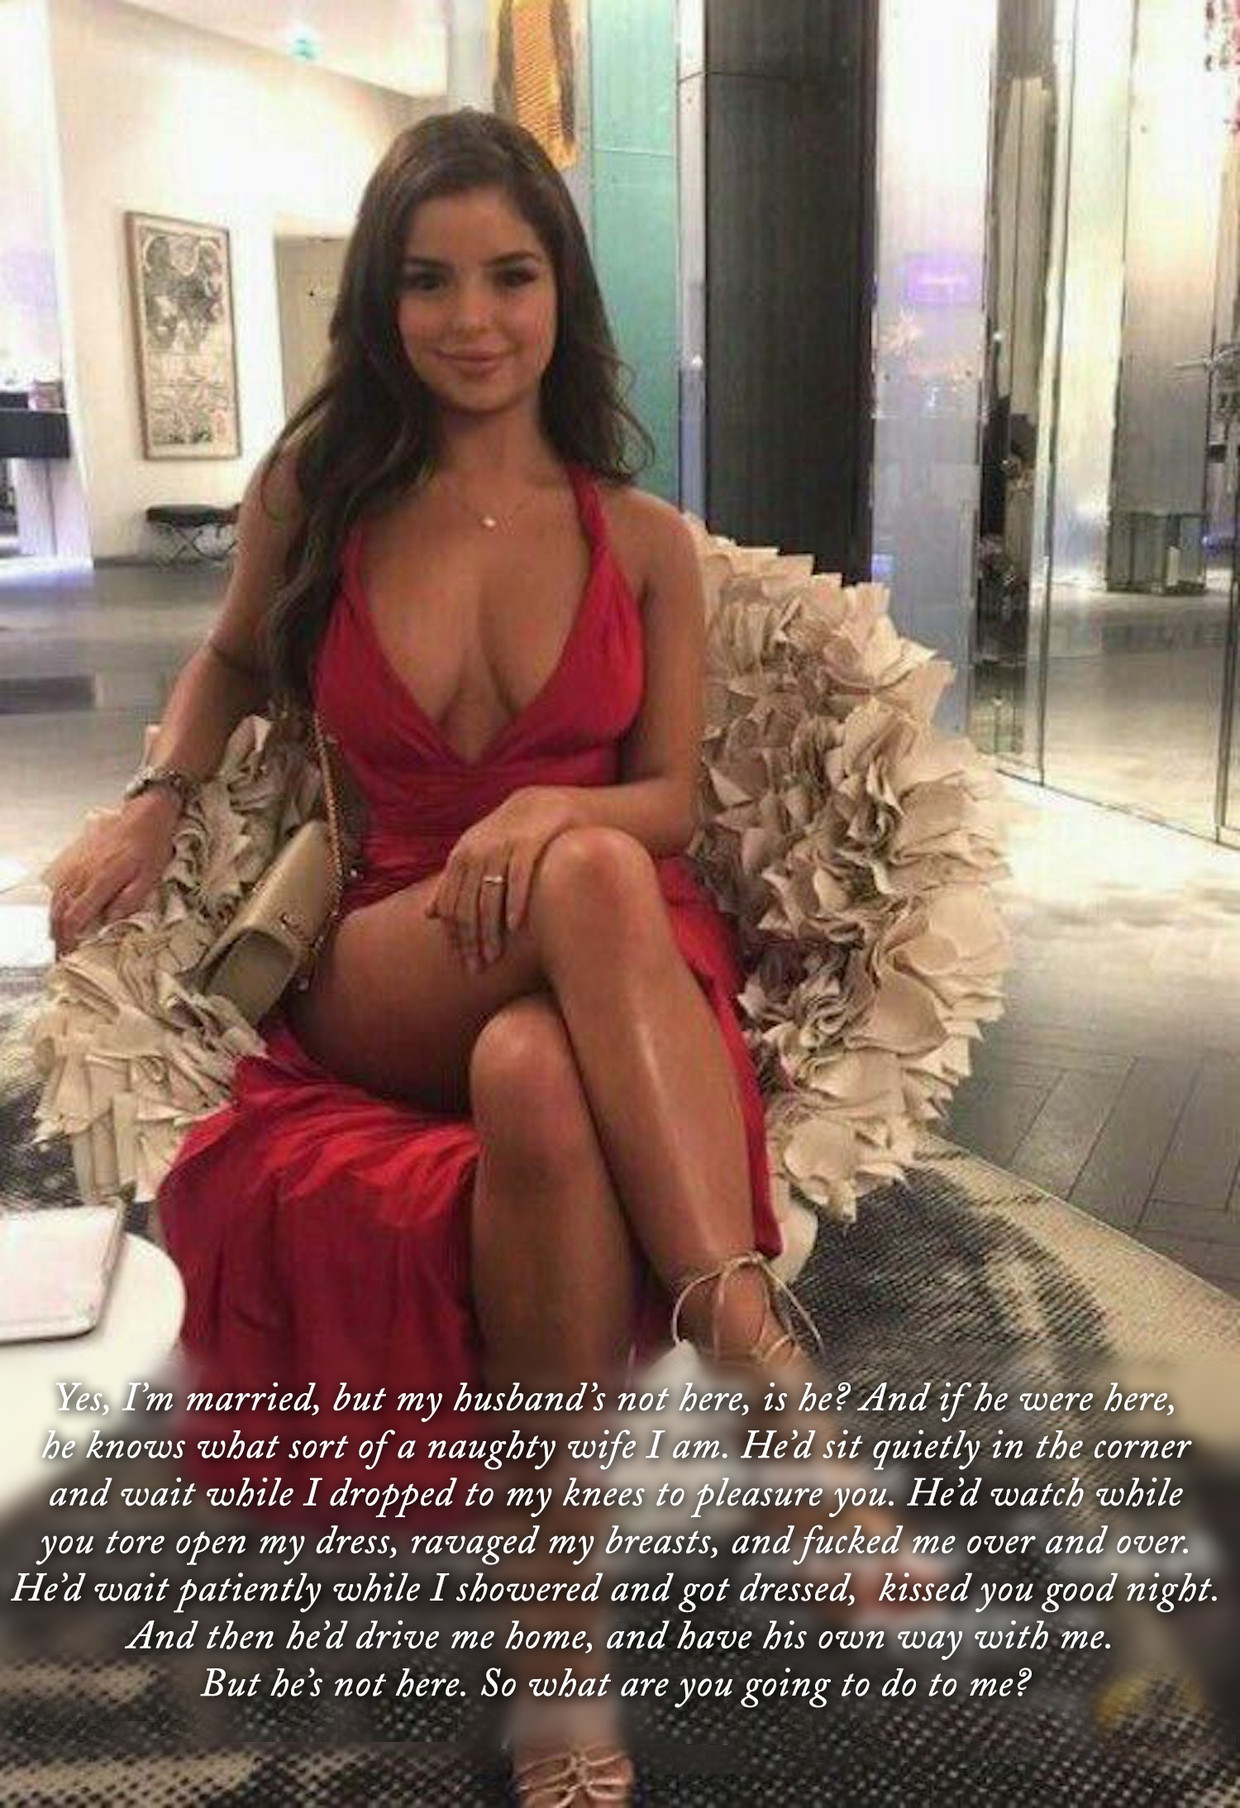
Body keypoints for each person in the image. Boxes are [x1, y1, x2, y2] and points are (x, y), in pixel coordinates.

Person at [45, 109, 861, 1805]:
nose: (472, 319)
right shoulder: (322, 494)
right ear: (383, 300)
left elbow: (667, 800)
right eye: (429, 281)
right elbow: (226, 661)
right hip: (392, 946)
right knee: (578, 888)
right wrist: (153, 801)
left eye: (510, 275)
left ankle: (557, 1645)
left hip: (607, 948)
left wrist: (550, 815)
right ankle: (756, 1352)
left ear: (564, 291)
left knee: (538, 1068)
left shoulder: (643, 539)